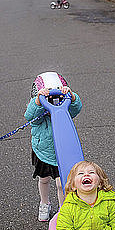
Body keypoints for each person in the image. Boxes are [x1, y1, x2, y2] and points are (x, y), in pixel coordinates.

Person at [24, 72, 82, 221]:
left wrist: (72, 96)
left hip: (62, 152)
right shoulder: (37, 112)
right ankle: (44, 203)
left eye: (57, 98)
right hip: (43, 151)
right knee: (43, 179)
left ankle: (64, 211)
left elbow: (76, 109)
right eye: (49, 98)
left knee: (62, 184)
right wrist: (39, 101)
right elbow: (29, 116)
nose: (54, 101)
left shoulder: (64, 110)